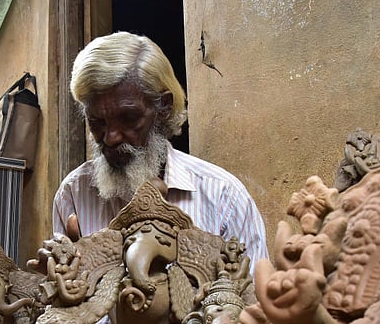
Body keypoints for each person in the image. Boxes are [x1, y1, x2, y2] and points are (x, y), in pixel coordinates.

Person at [52, 31, 268, 266]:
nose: (111, 137)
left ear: (163, 107)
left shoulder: (224, 198)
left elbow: (256, 298)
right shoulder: (73, 194)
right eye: (97, 122)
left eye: (128, 118)